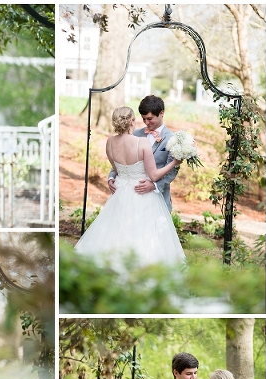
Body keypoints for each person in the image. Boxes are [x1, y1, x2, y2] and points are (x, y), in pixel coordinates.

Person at [74, 106, 185, 269]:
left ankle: (112, 268)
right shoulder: (142, 142)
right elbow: (153, 175)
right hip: (142, 195)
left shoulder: (110, 142)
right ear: (132, 121)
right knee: (145, 236)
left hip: (121, 193)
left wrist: (114, 178)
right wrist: (175, 162)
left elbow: (118, 170)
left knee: (117, 232)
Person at [108, 95, 179, 212]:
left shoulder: (172, 139)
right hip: (130, 196)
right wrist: (112, 177)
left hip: (157, 197)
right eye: (143, 118)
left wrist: (154, 186)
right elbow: (121, 159)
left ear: (161, 113)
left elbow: (173, 170)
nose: (146, 122)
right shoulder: (134, 133)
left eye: (150, 119)